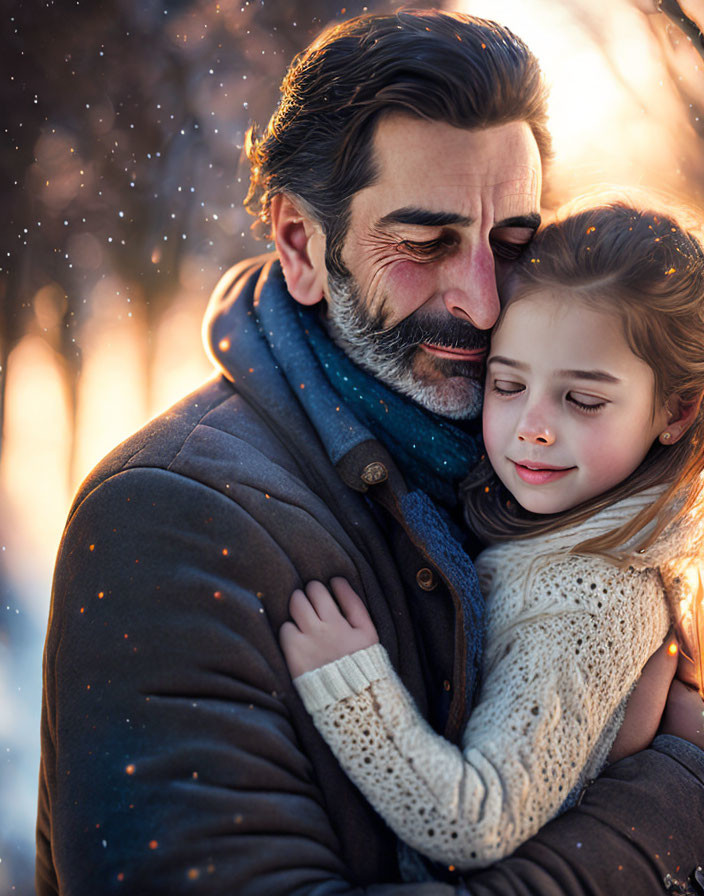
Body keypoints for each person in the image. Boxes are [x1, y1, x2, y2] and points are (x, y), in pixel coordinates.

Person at [35, 10, 704, 896]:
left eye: (511, 245)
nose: (481, 300)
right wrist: (666, 806)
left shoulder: (533, 487)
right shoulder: (169, 520)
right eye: (424, 245)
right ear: (300, 244)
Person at [279, 201, 704, 874]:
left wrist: (352, 687)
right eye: (506, 385)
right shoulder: (552, 534)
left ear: (677, 410)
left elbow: (473, 821)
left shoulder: (592, 597)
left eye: (584, 400)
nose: (532, 426)